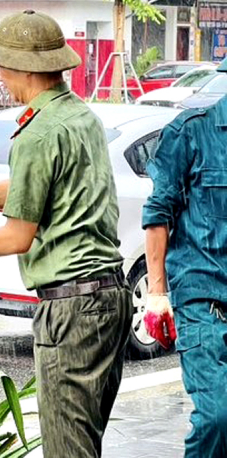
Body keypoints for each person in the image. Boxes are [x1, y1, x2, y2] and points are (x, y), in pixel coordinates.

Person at [0, 10, 130, 458]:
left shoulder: (37, 134)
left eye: (2, 66)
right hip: (110, 298)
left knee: (67, 450)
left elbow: (18, 236)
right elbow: (34, 192)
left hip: (72, 307)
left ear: (24, 69)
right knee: (83, 441)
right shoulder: (80, 117)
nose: (0, 76)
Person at [142, 71, 227, 457]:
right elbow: (158, 213)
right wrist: (157, 294)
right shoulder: (192, 133)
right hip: (203, 302)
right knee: (217, 418)